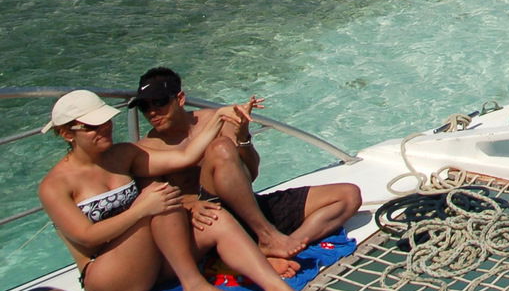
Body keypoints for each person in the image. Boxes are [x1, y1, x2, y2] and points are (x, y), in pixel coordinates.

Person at [37, 90, 330, 291]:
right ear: (66, 133)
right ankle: (194, 287)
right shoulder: (55, 185)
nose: (104, 130)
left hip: (152, 260)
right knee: (160, 198)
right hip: (109, 274)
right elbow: (87, 237)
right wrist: (141, 209)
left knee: (215, 216)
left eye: (106, 122)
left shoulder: (123, 154)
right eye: (92, 127)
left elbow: (185, 157)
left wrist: (219, 116)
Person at [131, 68, 361, 274]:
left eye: (159, 102)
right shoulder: (147, 151)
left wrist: (243, 137)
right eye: (144, 107)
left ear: (180, 99)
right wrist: (191, 204)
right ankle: (266, 238)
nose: (152, 112)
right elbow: (154, 202)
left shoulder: (219, 119)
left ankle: (283, 244)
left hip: (247, 207)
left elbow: (250, 174)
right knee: (220, 148)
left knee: (349, 196)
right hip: (207, 221)